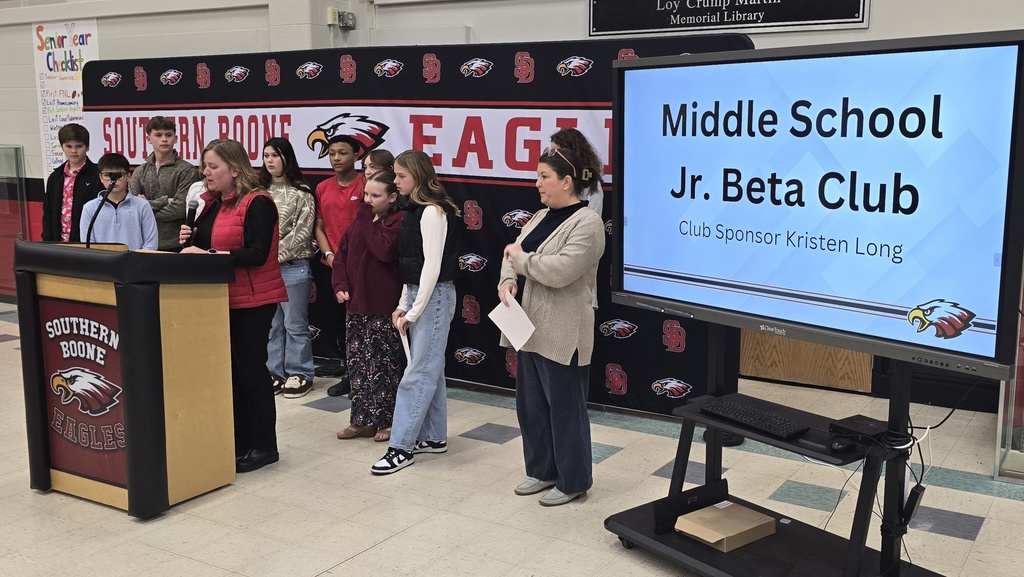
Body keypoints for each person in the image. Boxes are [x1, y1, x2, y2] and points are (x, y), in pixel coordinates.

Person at [497, 147, 605, 506]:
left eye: (544, 176)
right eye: (538, 176)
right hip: (528, 326)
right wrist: (506, 281)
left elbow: (559, 271)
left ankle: (574, 480)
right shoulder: (540, 215)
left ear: (567, 181)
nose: (538, 183)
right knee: (531, 407)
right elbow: (511, 254)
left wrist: (521, 260)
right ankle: (542, 471)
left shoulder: (587, 224)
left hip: (563, 331)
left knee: (565, 409)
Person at [179, 139, 287, 474]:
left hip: (253, 300)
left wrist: (208, 255)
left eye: (213, 167)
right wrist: (190, 239)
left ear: (235, 170)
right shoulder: (210, 203)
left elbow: (256, 255)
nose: (205, 173)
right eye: (204, 166)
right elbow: (203, 246)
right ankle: (240, 440)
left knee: (251, 372)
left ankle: (264, 446)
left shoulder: (259, 203)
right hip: (219, 300)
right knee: (231, 374)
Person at [371, 150, 461, 475]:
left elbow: (432, 269)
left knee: (418, 374)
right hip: (421, 294)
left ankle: (401, 447)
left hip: (434, 297)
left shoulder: (432, 213)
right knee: (430, 370)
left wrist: (413, 310)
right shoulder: (413, 210)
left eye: (401, 176)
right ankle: (434, 438)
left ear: (419, 176)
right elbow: (411, 270)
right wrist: (402, 304)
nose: (395, 181)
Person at [332, 170, 404, 442]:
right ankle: (361, 419)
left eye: (376, 195)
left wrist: (364, 217)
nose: (368, 200)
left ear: (392, 197)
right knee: (359, 364)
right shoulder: (357, 224)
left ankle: (387, 419)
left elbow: (384, 251)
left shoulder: (398, 222)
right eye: (366, 194)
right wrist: (340, 285)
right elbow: (341, 257)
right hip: (356, 307)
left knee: (384, 365)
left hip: (383, 307)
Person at [260, 137, 316, 398]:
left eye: (275, 155)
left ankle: (300, 372)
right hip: (265, 269)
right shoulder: (257, 191)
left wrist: (267, 256)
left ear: (287, 158)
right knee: (273, 324)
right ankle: (275, 371)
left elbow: (302, 235)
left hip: (292, 267)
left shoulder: (302, 192)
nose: (270, 161)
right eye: (266, 156)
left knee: (295, 324)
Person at [314, 135, 365, 397]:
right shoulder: (322, 187)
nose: (336, 158)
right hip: (332, 265)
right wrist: (329, 254)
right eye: (332, 152)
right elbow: (319, 227)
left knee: (362, 322)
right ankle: (347, 372)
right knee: (338, 323)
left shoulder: (366, 184)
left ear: (356, 156)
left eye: (342, 153)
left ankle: (364, 374)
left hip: (362, 267)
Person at [549, 127, 606, 309]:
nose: (553, 157)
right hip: (553, 278)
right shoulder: (555, 183)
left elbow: (590, 230)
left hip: (578, 279)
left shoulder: (591, 185)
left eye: (557, 152)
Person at [132, 116, 200, 251]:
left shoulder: (187, 170)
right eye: (158, 135)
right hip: (144, 244)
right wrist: (164, 200)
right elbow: (133, 208)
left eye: (169, 135)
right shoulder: (140, 171)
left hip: (176, 245)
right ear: (148, 139)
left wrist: (146, 208)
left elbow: (180, 208)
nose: (164, 139)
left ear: (175, 138)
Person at [79, 153, 158, 250]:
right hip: (102, 263)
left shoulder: (142, 206)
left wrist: (136, 262)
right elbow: (87, 244)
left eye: (119, 175)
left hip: (135, 263)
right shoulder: (90, 208)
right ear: (100, 178)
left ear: (129, 177)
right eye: (107, 175)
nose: (113, 180)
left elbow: (151, 243)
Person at [42, 123, 103, 243]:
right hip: (58, 243)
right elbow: (48, 213)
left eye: (79, 146)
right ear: (62, 147)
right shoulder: (55, 177)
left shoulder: (98, 175)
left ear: (87, 147)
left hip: (88, 243)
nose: (74, 151)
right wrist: (47, 241)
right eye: (68, 146)